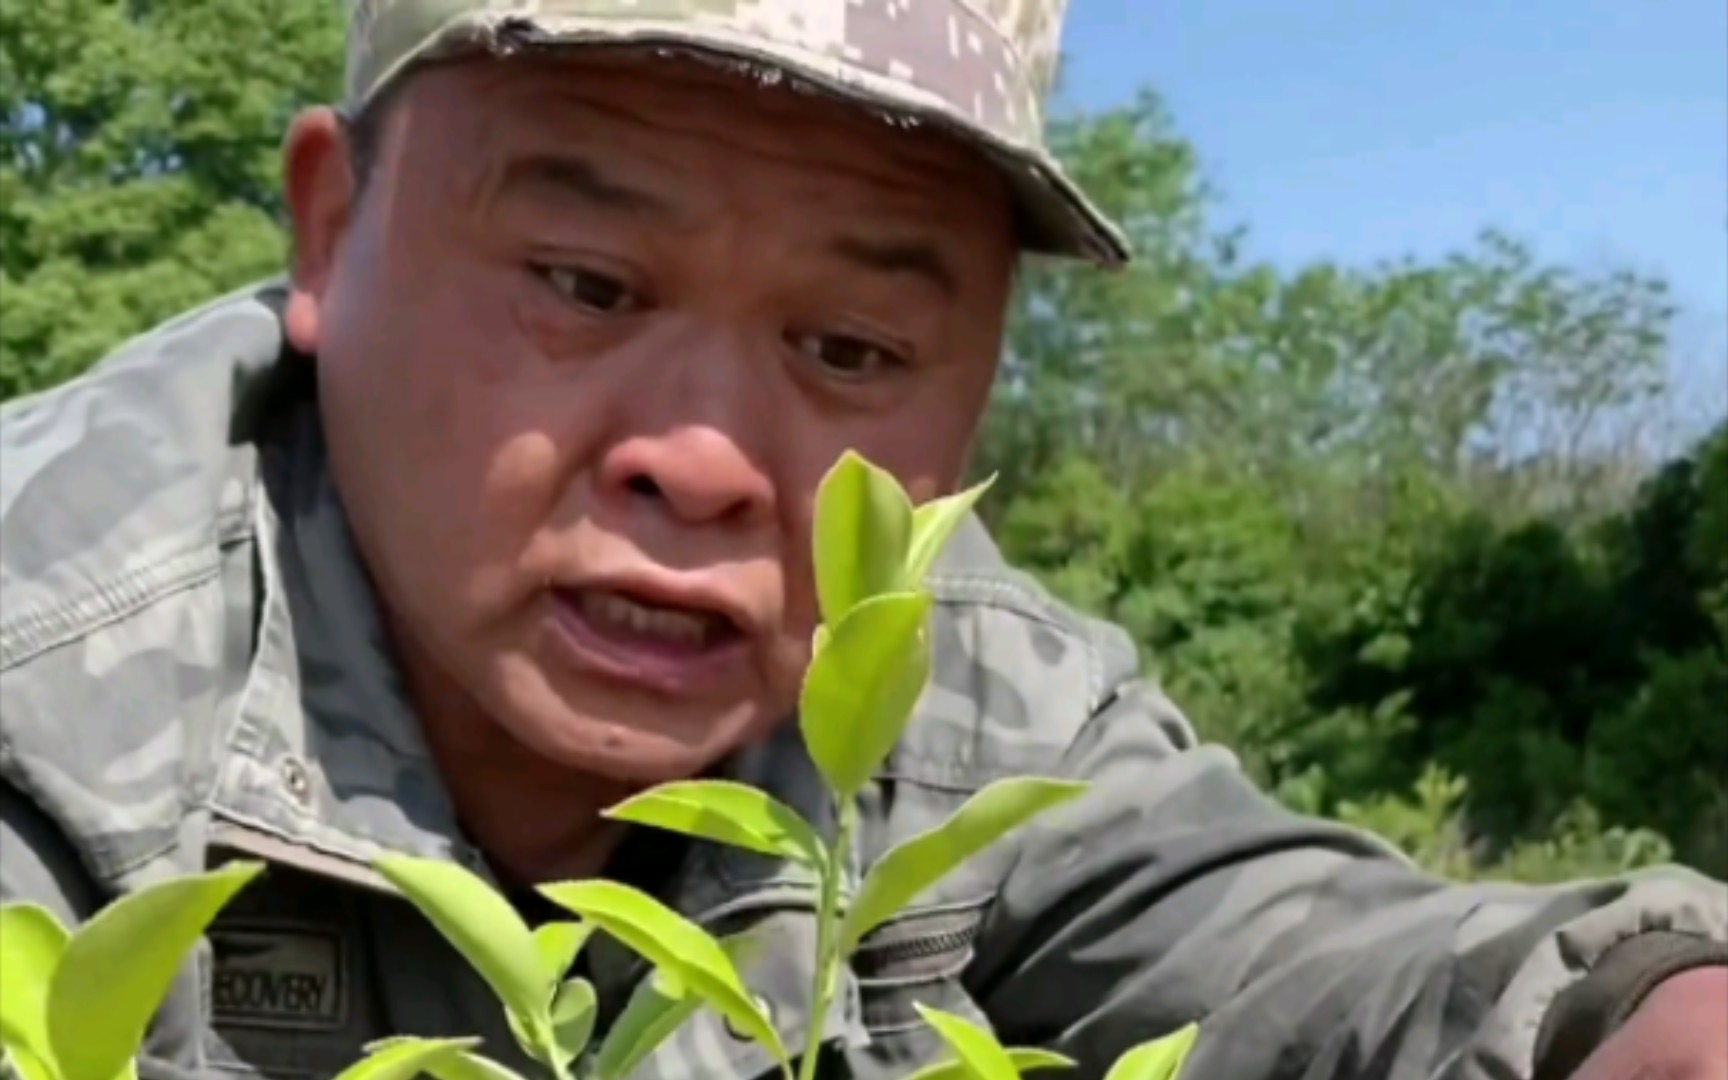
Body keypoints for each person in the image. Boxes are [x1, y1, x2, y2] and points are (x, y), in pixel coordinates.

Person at [0, 2, 1723, 1078]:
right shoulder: (43, 696)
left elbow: (1301, 951)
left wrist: (1630, 1012)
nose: (707, 460)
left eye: (853, 352)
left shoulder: (947, 684)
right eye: (586, 287)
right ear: (328, 236)